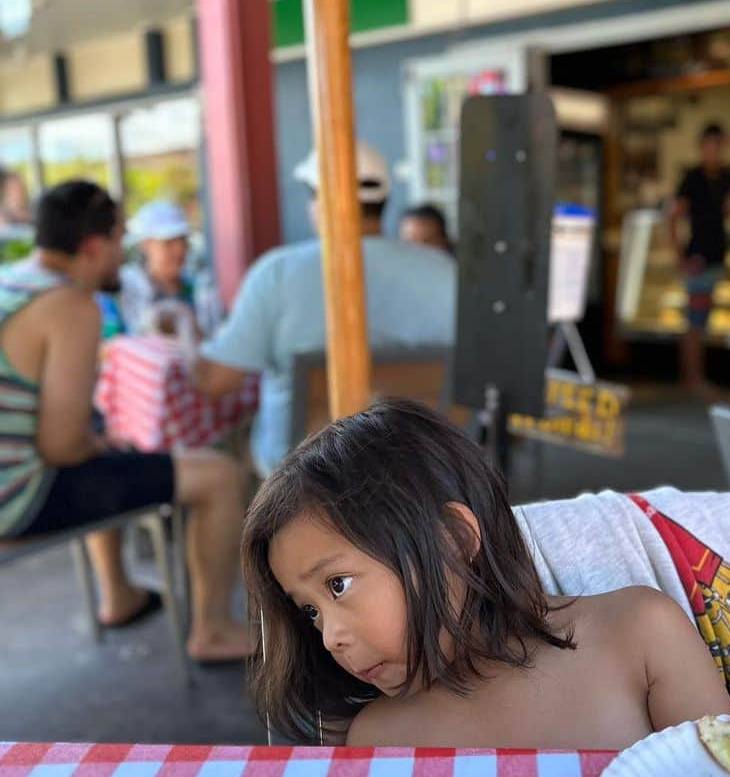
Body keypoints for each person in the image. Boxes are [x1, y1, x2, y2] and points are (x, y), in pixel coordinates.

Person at [242, 399, 730, 748]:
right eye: (309, 611)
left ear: (453, 540)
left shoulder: (641, 634)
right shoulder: (379, 737)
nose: (330, 638)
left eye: (338, 585)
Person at [0, 181, 251, 660]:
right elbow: (62, 447)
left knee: (111, 455)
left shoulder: (12, 280)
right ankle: (213, 630)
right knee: (219, 474)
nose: (122, 254)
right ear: (93, 246)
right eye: (118, 240)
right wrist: (100, 446)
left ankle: (118, 597)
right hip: (16, 499)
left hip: (11, 479)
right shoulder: (70, 304)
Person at [194, 140, 456, 478]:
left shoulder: (277, 273)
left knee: (237, 447)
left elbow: (213, 382)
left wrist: (187, 336)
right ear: (385, 201)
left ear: (322, 200)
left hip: (307, 478)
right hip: (418, 471)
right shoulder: (444, 270)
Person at [666, 122, 730, 395]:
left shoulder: (724, 177)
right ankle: (692, 379)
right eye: (710, 146)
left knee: (700, 322)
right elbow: (672, 215)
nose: (714, 151)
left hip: (715, 258)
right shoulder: (692, 178)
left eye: (718, 146)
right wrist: (679, 256)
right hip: (698, 258)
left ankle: (693, 378)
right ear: (702, 147)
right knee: (694, 322)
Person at [118, 198, 220, 340]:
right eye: (169, 243)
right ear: (146, 245)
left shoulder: (201, 288)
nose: (180, 250)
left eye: (182, 240)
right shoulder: (127, 288)